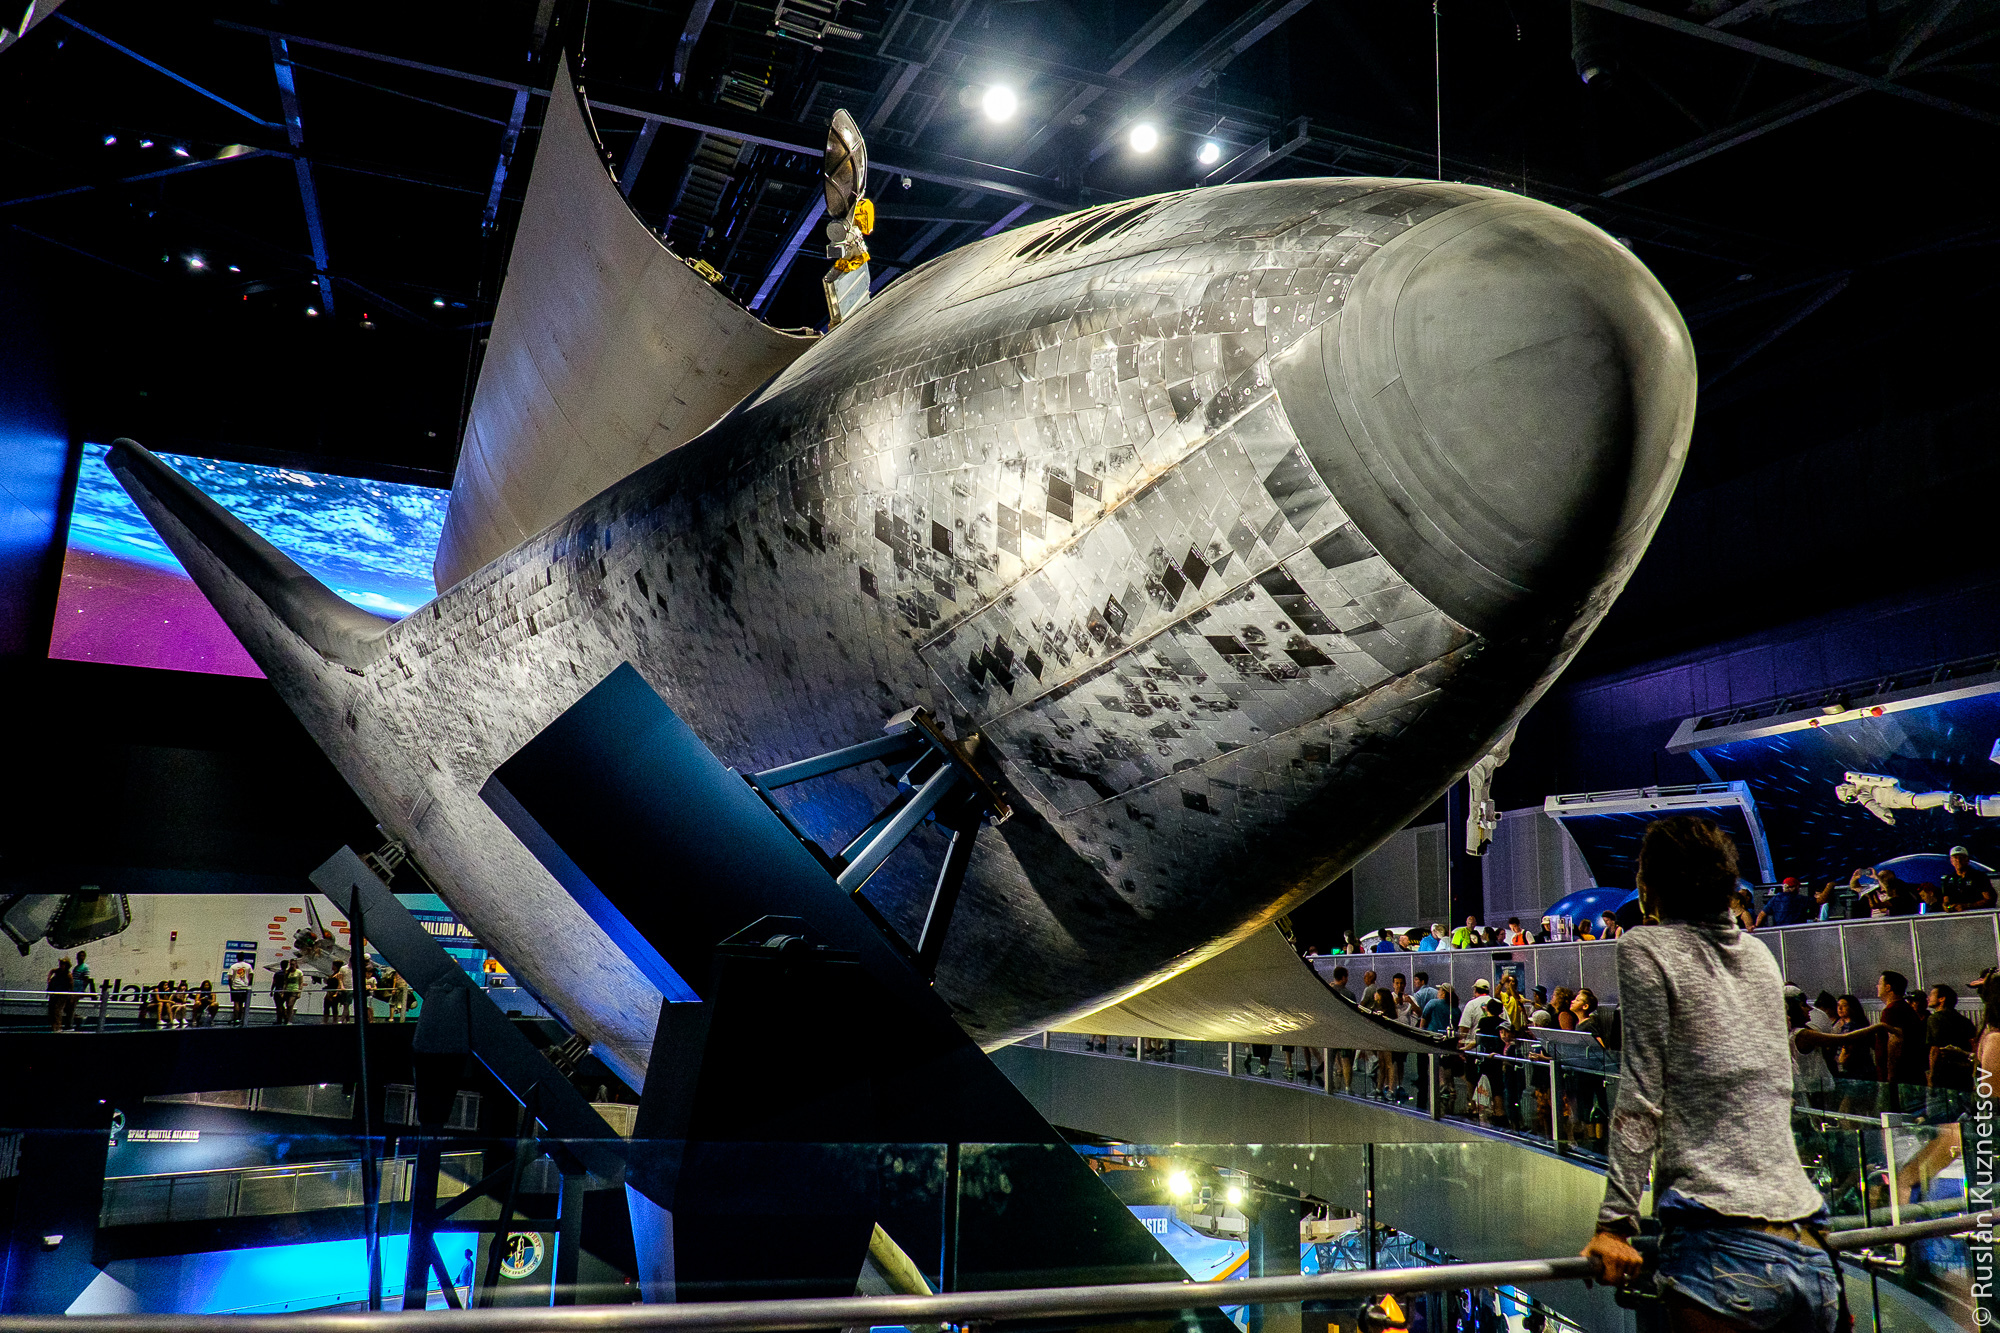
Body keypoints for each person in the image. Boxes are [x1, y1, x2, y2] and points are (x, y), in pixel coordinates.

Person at [1582, 815, 1842, 1332]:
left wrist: (1615, 1224)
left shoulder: (1644, 947)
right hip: (1812, 1245)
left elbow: (1641, 1096)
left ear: (1650, 886)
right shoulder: (1759, 954)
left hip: (1720, 1245)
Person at [1875, 969, 1928, 1109]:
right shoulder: (1906, 1009)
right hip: (1912, 1074)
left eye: (1880, 983)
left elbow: (1895, 1042)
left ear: (1888, 987)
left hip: (1899, 1078)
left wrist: (1891, 1074)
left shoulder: (1891, 1011)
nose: (1877, 986)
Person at [1926, 984, 1977, 1094]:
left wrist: (1932, 1077)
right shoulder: (1964, 1020)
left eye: (1931, 995)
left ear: (1942, 999)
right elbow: (1974, 1045)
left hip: (1944, 1074)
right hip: (1964, 1074)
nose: (1928, 998)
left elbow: (1935, 1049)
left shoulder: (1934, 1019)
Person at [1939, 846, 1996, 910]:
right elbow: (1946, 901)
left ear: (1967, 860)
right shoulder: (1948, 879)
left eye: (1961, 857)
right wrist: (1947, 907)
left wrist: (1967, 906)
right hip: (1956, 915)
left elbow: (1989, 900)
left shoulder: (1979, 876)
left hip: (1978, 914)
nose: (1958, 860)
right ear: (1951, 861)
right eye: (1955, 858)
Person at [66, 949, 93, 1030]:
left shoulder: (85, 967)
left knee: (71, 1007)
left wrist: (82, 990)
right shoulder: (76, 967)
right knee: (68, 1008)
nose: (81, 957)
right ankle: (78, 1019)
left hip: (78, 990)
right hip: (73, 990)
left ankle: (71, 1025)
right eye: (79, 956)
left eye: (82, 956)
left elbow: (86, 979)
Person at [45, 956, 73, 1032]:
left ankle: (58, 1027)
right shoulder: (58, 971)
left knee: (58, 1010)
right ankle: (53, 1026)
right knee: (52, 1010)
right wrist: (49, 979)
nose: (61, 965)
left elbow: (71, 986)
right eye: (61, 964)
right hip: (55, 993)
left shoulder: (68, 974)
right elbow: (52, 971)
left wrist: (71, 996)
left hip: (62, 995)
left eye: (63, 964)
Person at [228, 956, 255, 1025]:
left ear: (237, 958)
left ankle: (236, 1019)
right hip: (244, 986)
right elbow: (251, 975)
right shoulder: (248, 966)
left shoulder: (233, 966)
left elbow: (230, 977)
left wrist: (230, 986)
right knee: (242, 1004)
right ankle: (241, 1018)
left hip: (236, 986)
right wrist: (249, 984)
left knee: (236, 1003)